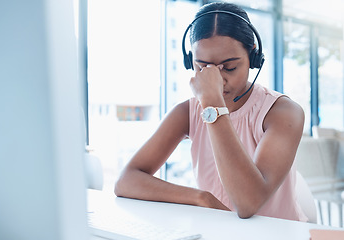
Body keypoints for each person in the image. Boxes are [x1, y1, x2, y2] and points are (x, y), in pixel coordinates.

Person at [114, 2, 307, 221]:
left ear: (253, 57)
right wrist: (201, 198)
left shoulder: (283, 112)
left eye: (230, 67)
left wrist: (213, 102)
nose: (217, 80)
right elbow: (126, 181)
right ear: (190, 62)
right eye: (203, 67)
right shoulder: (187, 112)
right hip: (218, 232)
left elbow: (247, 203)